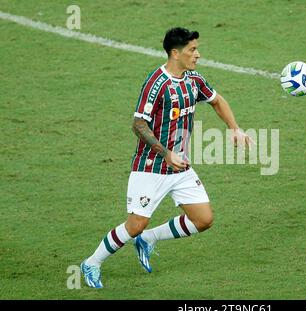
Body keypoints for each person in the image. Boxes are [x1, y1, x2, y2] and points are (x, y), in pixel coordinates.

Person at [80, 27, 253, 288]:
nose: (197, 54)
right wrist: (165, 152)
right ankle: (92, 263)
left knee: (203, 220)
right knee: (135, 224)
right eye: (192, 50)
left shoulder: (194, 80)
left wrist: (235, 128)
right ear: (175, 53)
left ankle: (149, 239)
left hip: (180, 166)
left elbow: (217, 101)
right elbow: (138, 124)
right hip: (151, 166)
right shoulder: (156, 83)